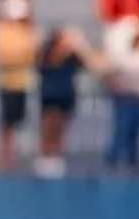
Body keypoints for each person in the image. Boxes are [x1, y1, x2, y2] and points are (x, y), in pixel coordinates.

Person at [36, 27, 100, 178]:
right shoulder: (47, 53)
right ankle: (45, 158)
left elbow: (92, 64)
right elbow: (48, 63)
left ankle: (57, 158)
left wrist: (81, 46)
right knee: (49, 126)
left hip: (66, 95)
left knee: (61, 128)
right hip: (50, 95)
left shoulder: (72, 56)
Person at [0, 0, 38, 171]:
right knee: (5, 123)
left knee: (16, 122)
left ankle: (13, 158)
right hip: (5, 83)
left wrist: (16, 56)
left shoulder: (27, 32)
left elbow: (30, 54)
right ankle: (4, 158)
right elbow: (2, 56)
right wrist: (17, 56)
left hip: (22, 83)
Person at [106, 27, 139, 174]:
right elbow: (112, 74)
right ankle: (113, 160)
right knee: (122, 129)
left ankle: (133, 161)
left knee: (135, 131)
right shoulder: (123, 54)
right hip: (125, 98)